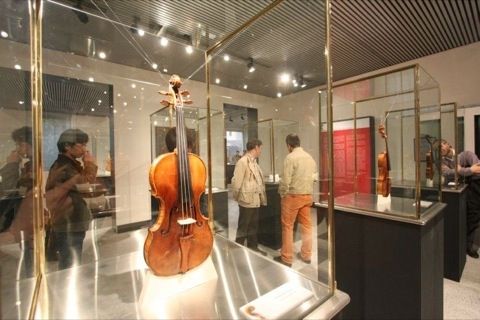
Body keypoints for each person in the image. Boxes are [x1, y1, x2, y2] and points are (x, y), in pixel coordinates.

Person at [45, 129, 97, 269]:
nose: (85, 149)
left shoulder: (67, 165)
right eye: (82, 145)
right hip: (69, 222)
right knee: (70, 264)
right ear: (67, 146)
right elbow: (85, 185)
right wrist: (90, 164)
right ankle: (67, 289)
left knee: (71, 260)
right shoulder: (64, 167)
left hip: (69, 221)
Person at [274, 134, 317, 267]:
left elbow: (285, 180)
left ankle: (287, 258)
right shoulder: (310, 158)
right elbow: (314, 177)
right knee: (307, 226)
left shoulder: (290, 157)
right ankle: (306, 255)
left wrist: (282, 193)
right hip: (307, 195)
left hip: (293, 196)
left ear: (289, 145)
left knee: (287, 226)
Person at [0, 126, 34, 277]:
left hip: (30, 219)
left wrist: (11, 164)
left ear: (27, 144)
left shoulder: (34, 166)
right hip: (26, 218)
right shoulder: (30, 165)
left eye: (19, 144)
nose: (18, 148)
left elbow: (9, 189)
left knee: (30, 255)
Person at [439, 139, 480, 258]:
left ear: (448, 145)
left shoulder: (465, 154)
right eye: (438, 147)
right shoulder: (441, 162)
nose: (441, 147)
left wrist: (461, 170)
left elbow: (477, 169)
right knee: (470, 217)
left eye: (442, 144)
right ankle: (466, 245)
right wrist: (468, 170)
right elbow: (448, 173)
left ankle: (469, 245)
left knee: (473, 217)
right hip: (458, 193)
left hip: (472, 189)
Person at [231, 139, 267, 256]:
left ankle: (253, 248)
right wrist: (238, 197)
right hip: (246, 200)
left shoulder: (254, 162)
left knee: (253, 226)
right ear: (256, 147)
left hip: (255, 200)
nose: (260, 151)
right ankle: (237, 250)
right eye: (260, 148)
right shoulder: (243, 162)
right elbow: (237, 183)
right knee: (243, 227)